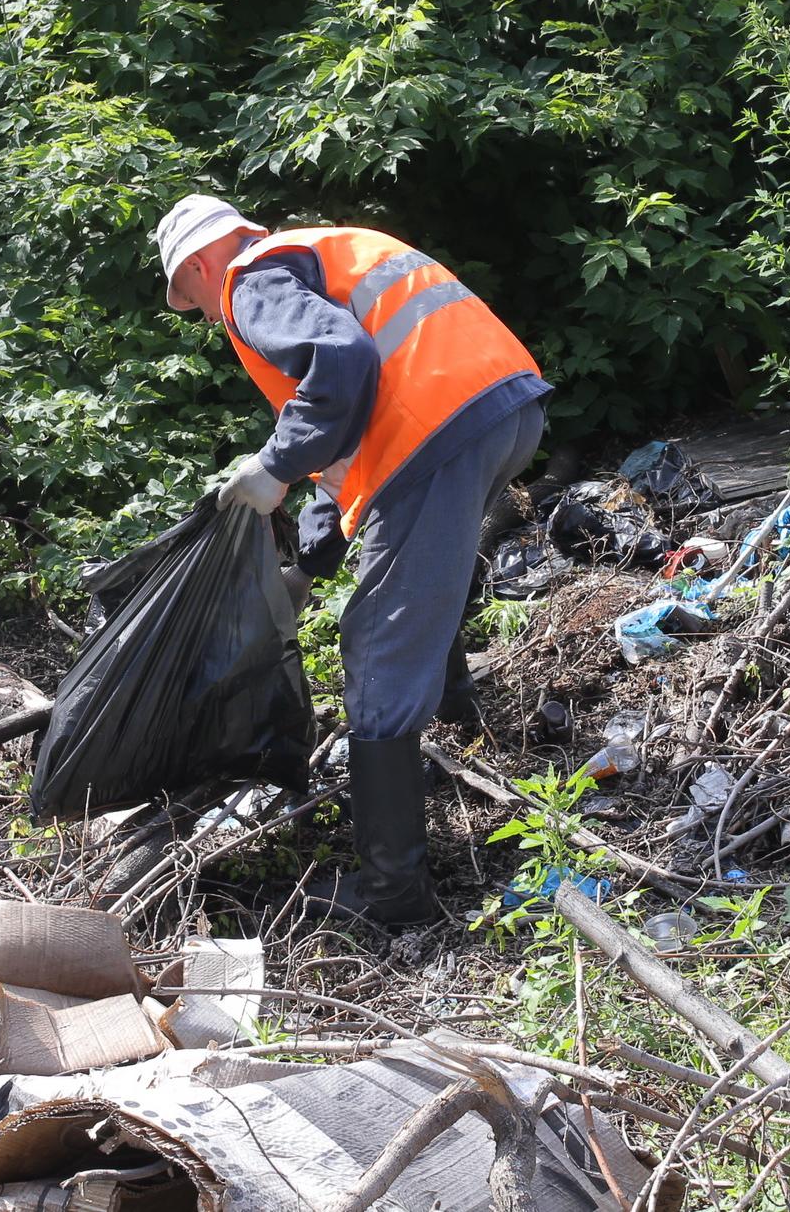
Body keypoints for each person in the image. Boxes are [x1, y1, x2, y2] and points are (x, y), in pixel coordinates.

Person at [154, 194, 550, 926]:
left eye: (197, 302)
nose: (212, 318)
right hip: (503, 407)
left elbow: (339, 366)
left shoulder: (250, 279)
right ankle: (469, 731)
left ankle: (394, 898)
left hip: (434, 433)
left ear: (200, 265)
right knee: (424, 577)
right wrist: (309, 563)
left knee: (378, 641)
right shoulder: (323, 251)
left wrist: (272, 466)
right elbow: (346, 444)